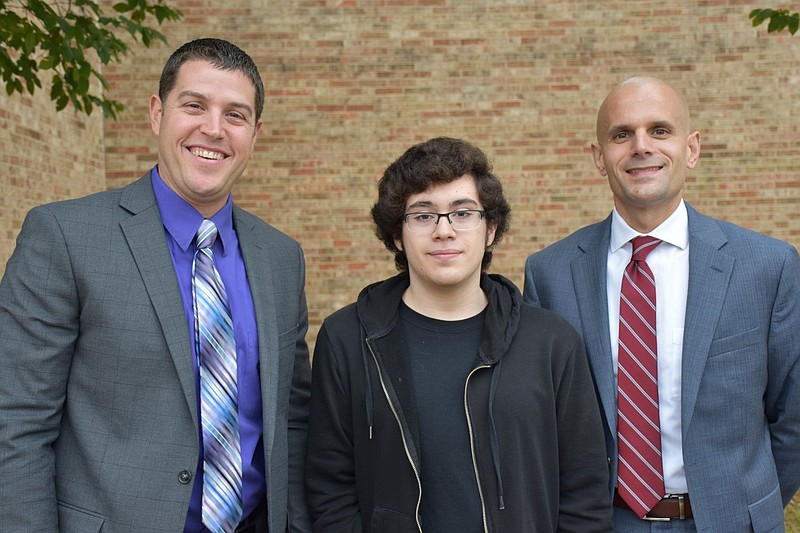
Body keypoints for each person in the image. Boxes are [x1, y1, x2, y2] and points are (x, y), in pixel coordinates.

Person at [0, 38, 312, 533]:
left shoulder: (280, 258)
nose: (213, 128)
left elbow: (292, 418)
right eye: (194, 106)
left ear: (254, 133)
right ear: (156, 112)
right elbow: (15, 423)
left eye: (235, 115)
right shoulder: (65, 237)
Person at [524, 76, 800, 531]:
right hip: (605, 523)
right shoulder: (550, 275)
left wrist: (749, 507)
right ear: (599, 157)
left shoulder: (766, 267)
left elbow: (793, 420)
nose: (640, 147)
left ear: (691, 149)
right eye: (621, 135)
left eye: (660, 130)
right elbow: (543, 426)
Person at [304, 136, 613, 532]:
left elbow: (585, 494)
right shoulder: (347, 339)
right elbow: (330, 488)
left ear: (490, 229)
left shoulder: (552, 343)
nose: (444, 231)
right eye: (423, 215)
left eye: (463, 213)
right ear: (397, 235)